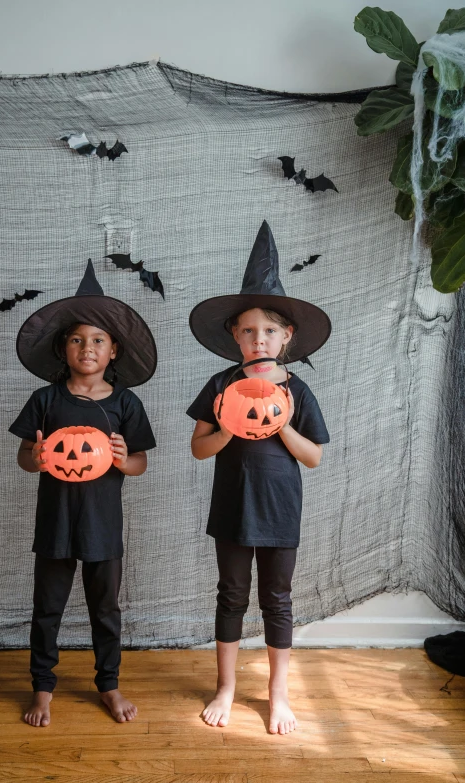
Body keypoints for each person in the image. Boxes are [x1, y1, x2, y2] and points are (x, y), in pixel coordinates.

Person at [187, 221, 331, 735]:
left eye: (269, 330)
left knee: (277, 599)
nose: (258, 338)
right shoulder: (221, 384)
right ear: (234, 337)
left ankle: (278, 696)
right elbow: (199, 448)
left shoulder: (298, 391)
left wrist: (285, 424)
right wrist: (227, 427)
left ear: (287, 336)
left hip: (279, 509)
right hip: (232, 506)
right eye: (248, 330)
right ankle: (225, 687)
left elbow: (313, 457)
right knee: (231, 594)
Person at [9, 259, 157, 728]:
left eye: (97, 340)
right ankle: (42, 689)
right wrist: (34, 457)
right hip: (54, 523)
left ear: (113, 351)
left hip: (102, 527)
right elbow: (24, 457)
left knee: (105, 609)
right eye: (77, 339)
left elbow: (139, 465)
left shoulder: (124, 403)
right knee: (47, 607)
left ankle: (109, 685)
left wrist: (120, 458)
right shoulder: (45, 400)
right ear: (63, 349)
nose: (87, 347)